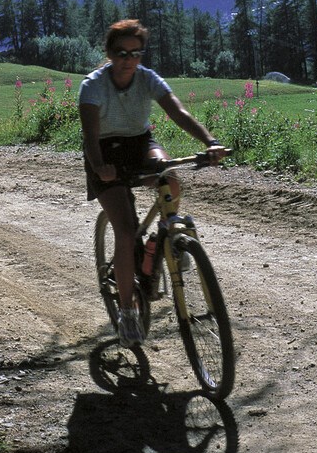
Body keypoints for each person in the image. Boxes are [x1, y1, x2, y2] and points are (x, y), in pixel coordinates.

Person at [77, 19, 228, 347]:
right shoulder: (92, 86)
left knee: (170, 178)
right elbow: (90, 136)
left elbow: (179, 112)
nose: (129, 59)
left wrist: (210, 142)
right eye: (122, 53)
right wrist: (100, 167)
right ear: (109, 53)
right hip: (104, 152)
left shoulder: (147, 78)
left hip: (139, 143)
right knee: (125, 231)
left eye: (136, 53)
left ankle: (168, 239)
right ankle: (127, 312)